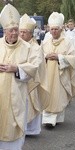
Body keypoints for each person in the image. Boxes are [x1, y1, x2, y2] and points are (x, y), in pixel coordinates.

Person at [0, 4, 41, 150]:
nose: (14, 33)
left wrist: (16, 68)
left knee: (13, 127)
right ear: (4, 31)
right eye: (10, 30)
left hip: (17, 94)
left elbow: (34, 67)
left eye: (16, 30)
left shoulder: (28, 47)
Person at [42, 12, 75, 127]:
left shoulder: (67, 42)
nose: (54, 31)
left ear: (61, 29)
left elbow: (73, 58)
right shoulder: (46, 42)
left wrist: (59, 57)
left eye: (56, 29)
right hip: (47, 74)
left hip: (60, 75)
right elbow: (39, 56)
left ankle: (56, 119)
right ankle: (48, 120)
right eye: (52, 29)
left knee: (59, 96)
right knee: (48, 95)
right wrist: (46, 56)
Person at [19, 14, 49, 135]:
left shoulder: (36, 47)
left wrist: (21, 68)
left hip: (32, 81)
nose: (21, 35)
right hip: (18, 80)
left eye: (24, 32)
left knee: (32, 103)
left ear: (31, 33)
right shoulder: (17, 45)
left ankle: (31, 129)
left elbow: (37, 64)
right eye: (20, 32)